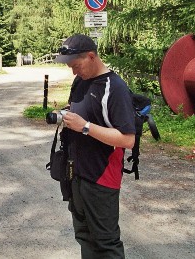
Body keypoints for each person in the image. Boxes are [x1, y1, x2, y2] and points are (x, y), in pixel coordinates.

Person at [55, 34, 136, 258]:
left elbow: (128, 139)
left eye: (76, 65)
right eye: (70, 67)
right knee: (84, 236)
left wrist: (84, 126)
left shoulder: (114, 87)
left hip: (101, 177)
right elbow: (81, 111)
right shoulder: (80, 81)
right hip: (76, 173)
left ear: (91, 56)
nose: (73, 72)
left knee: (105, 242)